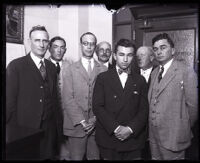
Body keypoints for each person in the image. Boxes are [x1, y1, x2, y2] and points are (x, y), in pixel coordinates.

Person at [6, 25, 59, 159]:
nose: (41, 45)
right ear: (29, 42)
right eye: (37, 40)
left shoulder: (52, 67)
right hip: (25, 129)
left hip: (49, 129)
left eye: (45, 41)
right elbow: (9, 102)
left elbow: (55, 99)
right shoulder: (16, 66)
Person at [93, 39, 149, 160]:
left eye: (129, 55)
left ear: (133, 57)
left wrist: (130, 129)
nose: (125, 59)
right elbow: (97, 107)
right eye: (121, 54)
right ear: (114, 55)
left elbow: (144, 110)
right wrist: (116, 128)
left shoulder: (140, 80)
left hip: (133, 140)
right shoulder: (102, 78)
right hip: (108, 140)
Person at [148, 33, 198, 160]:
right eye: (155, 49)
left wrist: (181, 127)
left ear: (173, 50)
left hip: (174, 137)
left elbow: (193, 107)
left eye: (163, 47)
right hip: (154, 137)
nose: (159, 51)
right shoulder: (154, 72)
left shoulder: (185, 71)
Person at [62, 32, 107, 160]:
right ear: (81, 45)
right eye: (85, 43)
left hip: (97, 126)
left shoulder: (104, 69)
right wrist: (82, 121)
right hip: (75, 126)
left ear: (95, 47)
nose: (89, 47)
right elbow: (68, 98)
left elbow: (106, 100)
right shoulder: (70, 69)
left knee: (95, 157)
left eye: (92, 44)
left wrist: (94, 119)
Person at [48, 36, 70, 160]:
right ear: (49, 49)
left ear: (65, 50)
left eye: (62, 48)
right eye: (55, 47)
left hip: (67, 117)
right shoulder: (42, 66)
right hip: (51, 118)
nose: (59, 50)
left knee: (66, 153)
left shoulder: (71, 66)